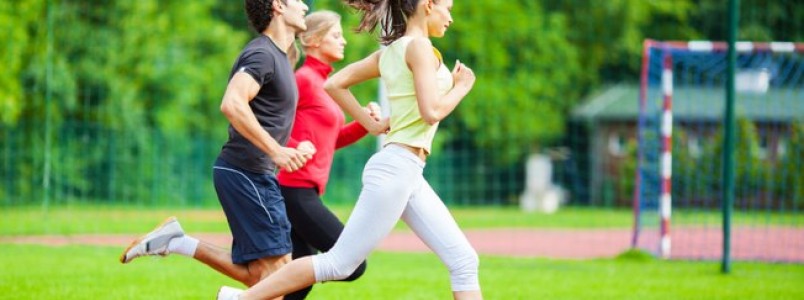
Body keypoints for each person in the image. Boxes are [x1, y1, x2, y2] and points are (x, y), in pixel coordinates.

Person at [216, 0, 482, 299]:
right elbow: (431, 111)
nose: (451, 17)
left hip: (407, 171)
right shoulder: (419, 48)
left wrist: (370, 124)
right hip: (397, 169)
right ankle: (240, 299)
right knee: (338, 264)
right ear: (429, 5)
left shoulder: (393, 50)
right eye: (448, 7)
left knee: (464, 261)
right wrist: (461, 86)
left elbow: (335, 83)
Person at [119, 0, 315, 291]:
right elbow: (232, 103)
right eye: (298, 0)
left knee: (258, 275)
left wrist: (291, 147)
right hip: (247, 172)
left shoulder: (279, 57)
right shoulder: (262, 53)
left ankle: (178, 242)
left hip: (248, 172)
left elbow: (266, 120)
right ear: (278, 5)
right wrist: (275, 150)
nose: (305, 6)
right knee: (278, 275)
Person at [278, 10, 379, 300]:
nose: (344, 41)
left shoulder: (324, 84)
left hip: (303, 191)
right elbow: (269, 123)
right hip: (294, 190)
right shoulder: (304, 79)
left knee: (299, 283)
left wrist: (365, 123)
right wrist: (296, 143)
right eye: (336, 35)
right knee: (352, 263)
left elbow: (329, 141)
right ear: (312, 41)